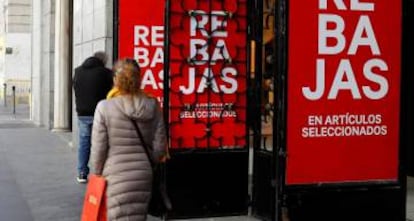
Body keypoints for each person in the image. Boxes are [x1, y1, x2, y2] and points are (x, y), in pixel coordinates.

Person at [90, 58, 167, 220]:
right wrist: (146, 161)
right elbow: (160, 147)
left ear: (115, 80)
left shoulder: (104, 107)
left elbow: (99, 149)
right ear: (139, 79)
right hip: (143, 174)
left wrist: (96, 173)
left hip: (113, 175)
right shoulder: (152, 105)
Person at [73, 51, 113, 183]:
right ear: (103, 60)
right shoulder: (106, 73)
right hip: (100, 113)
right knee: (101, 143)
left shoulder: (78, 71)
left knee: (84, 143)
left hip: (83, 114)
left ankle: (82, 173)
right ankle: (101, 172)